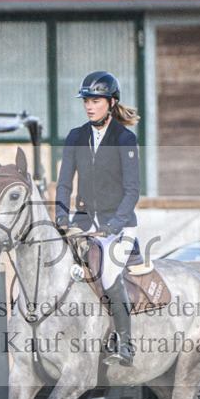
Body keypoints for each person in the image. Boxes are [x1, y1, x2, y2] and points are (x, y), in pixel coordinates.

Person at [55, 71, 141, 367]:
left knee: (107, 275)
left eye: (95, 101)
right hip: (83, 222)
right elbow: (65, 182)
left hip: (118, 225)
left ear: (111, 102)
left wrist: (113, 225)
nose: (89, 106)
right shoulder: (75, 136)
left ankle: (126, 346)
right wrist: (60, 215)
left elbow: (133, 191)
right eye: (86, 101)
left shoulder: (124, 138)